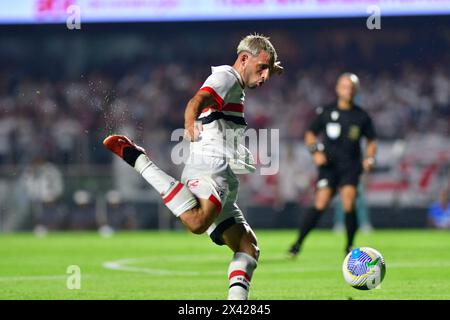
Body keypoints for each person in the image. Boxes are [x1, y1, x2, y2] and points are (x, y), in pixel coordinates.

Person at [103, 34, 283, 300]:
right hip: (211, 162)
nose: (265, 76)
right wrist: (189, 123)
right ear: (244, 59)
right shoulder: (226, 78)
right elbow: (196, 101)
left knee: (248, 247)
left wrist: (270, 65)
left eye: (269, 70)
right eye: (261, 68)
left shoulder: (237, 83)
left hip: (222, 169)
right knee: (197, 222)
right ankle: (138, 159)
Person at [288, 73, 377, 257]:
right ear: (337, 89)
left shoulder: (361, 116)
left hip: (351, 165)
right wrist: (315, 152)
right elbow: (310, 134)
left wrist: (369, 159)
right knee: (321, 203)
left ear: (356, 90)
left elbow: (371, 141)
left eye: (351, 87)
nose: (348, 90)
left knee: (349, 201)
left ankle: (349, 246)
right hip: (328, 166)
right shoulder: (326, 112)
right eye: (345, 86)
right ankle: (298, 243)